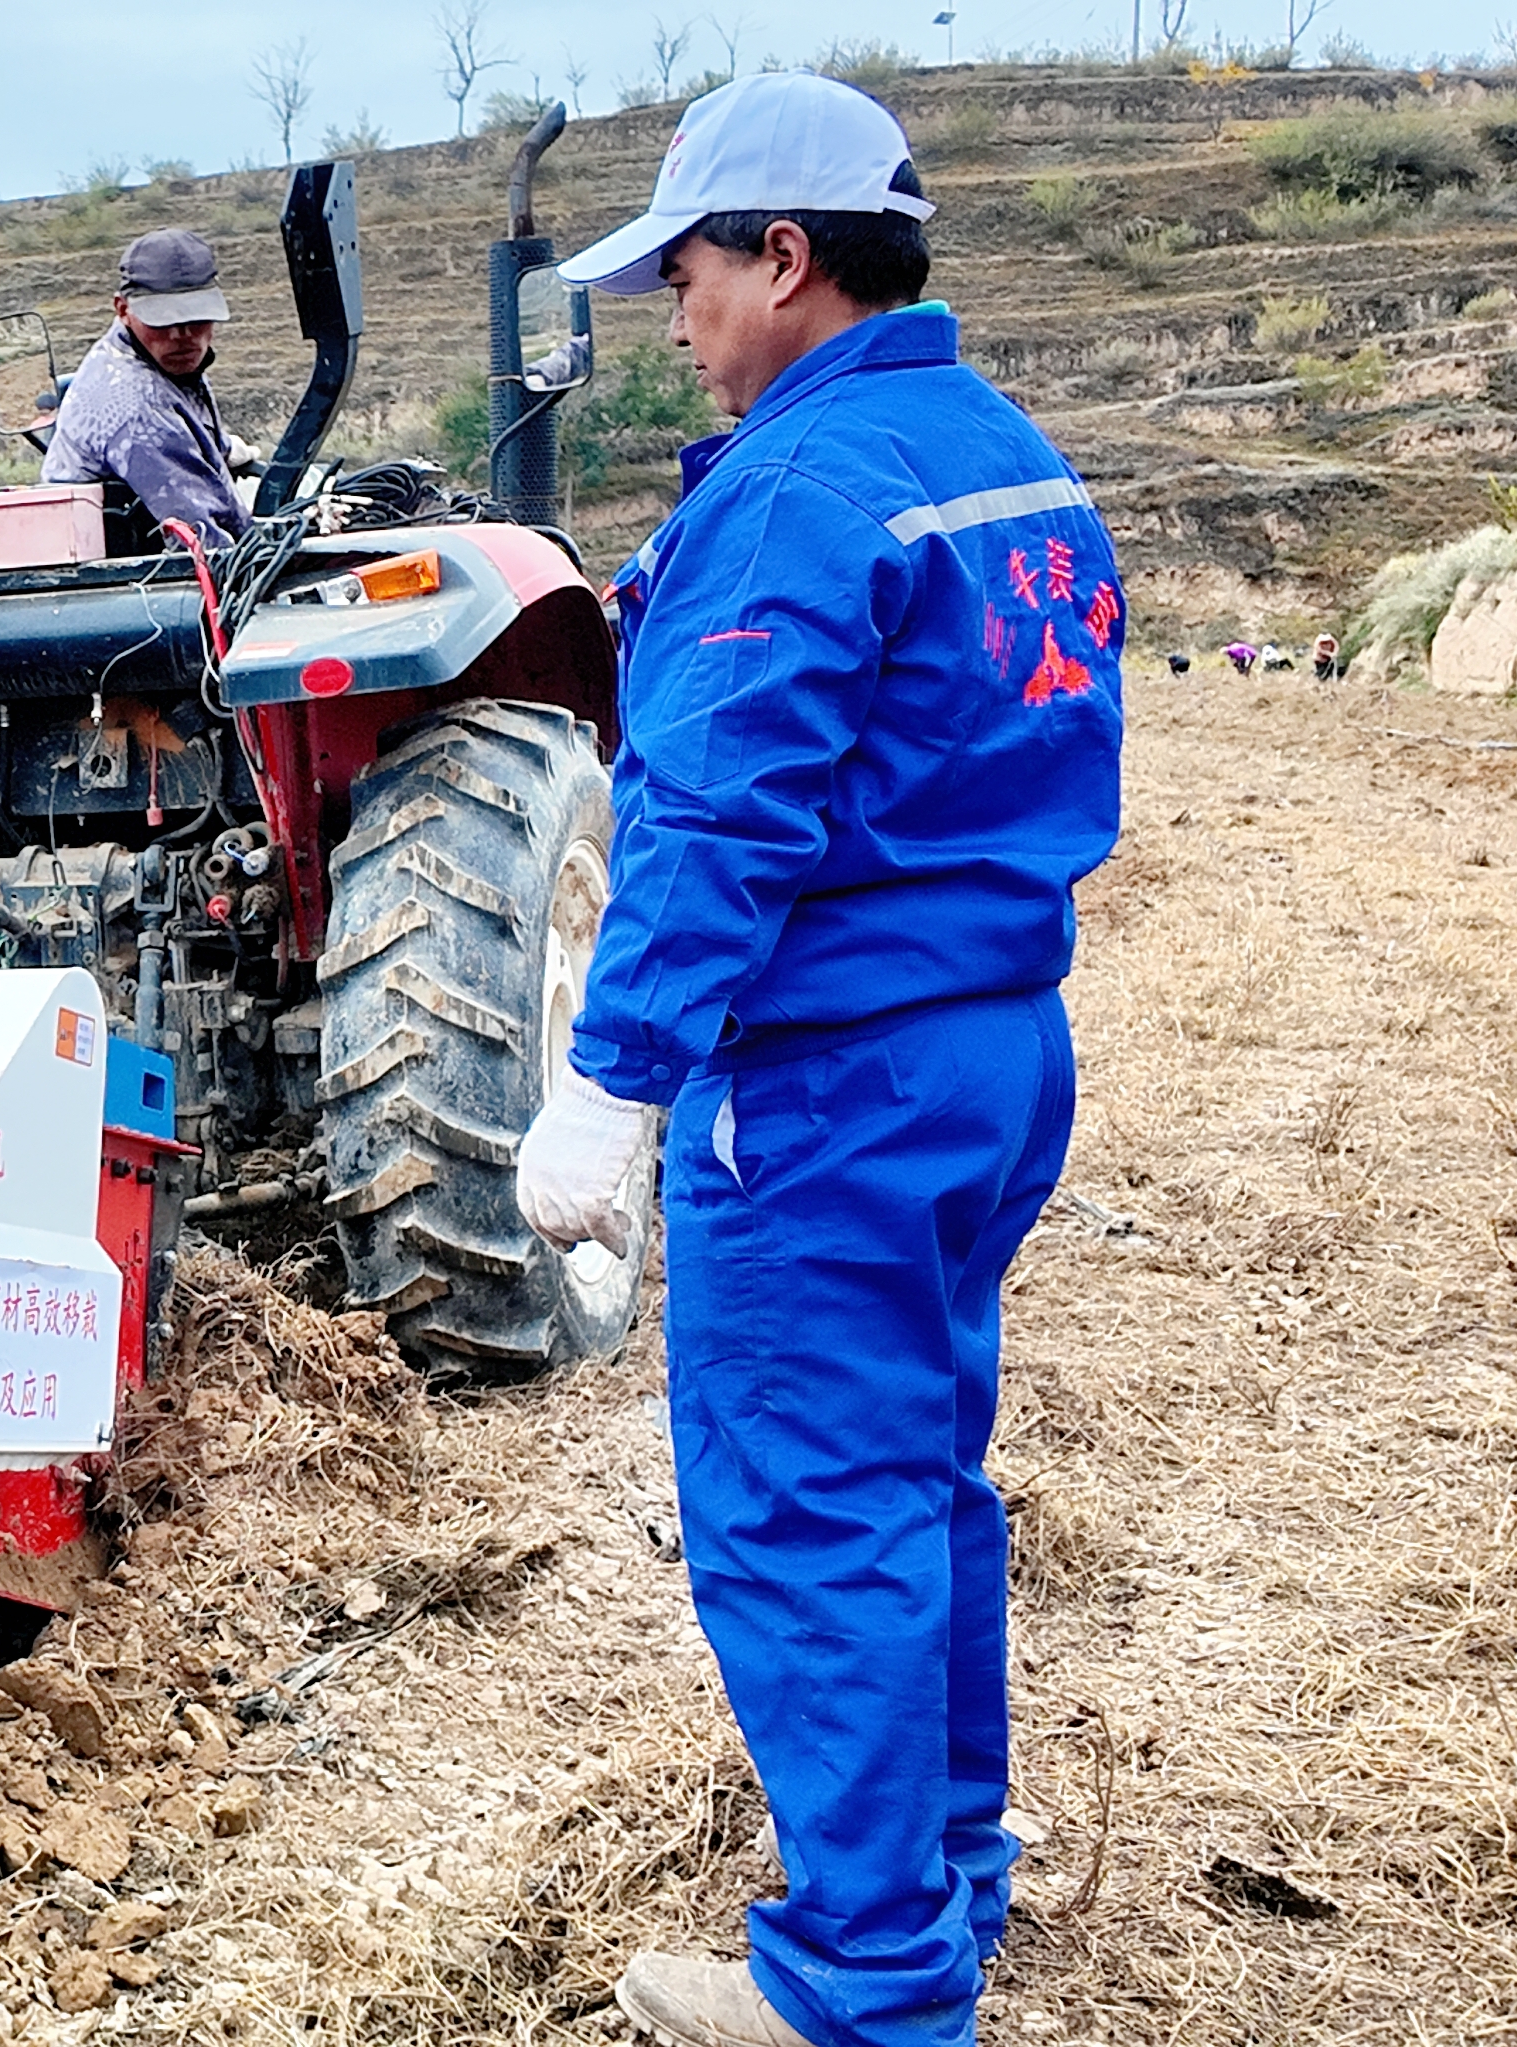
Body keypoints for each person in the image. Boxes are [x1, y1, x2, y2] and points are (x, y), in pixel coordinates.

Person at [511, 72, 1124, 2047]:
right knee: (918, 1478)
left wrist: (609, 1087)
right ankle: (944, 1875)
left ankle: (868, 1985)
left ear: (785, 258)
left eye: (683, 268)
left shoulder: (789, 497)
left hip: (834, 1087)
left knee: (806, 1509)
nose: (667, 312)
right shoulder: (997, 452)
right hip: (993, 1051)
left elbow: (713, 828)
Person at [40, 228, 244, 547]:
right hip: (128, 574)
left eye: (197, 317)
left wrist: (223, 448)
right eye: (163, 320)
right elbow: (202, 540)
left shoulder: (163, 362)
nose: (183, 333)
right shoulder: (135, 407)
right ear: (123, 310)